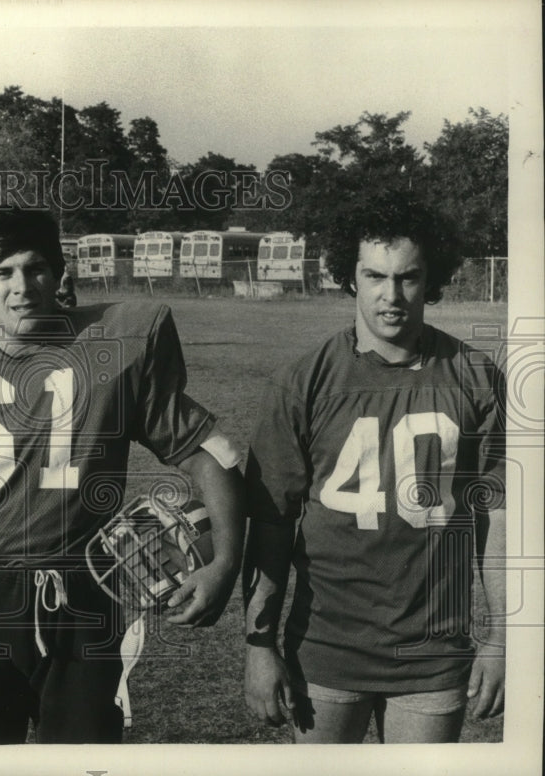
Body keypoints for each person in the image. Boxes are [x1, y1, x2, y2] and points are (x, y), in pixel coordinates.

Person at [0, 207, 245, 744]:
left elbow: (213, 451)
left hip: (86, 594)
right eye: (2, 273)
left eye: (36, 269)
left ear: (60, 274)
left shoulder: (113, 350)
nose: (22, 288)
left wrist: (227, 561)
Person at [242, 195, 506, 743]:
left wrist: (503, 638)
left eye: (409, 277)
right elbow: (271, 525)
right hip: (326, 649)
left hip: (433, 654)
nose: (392, 296)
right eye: (375, 276)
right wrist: (258, 645)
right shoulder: (304, 381)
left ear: (432, 279)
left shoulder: (476, 377)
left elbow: (497, 519)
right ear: (350, 276)